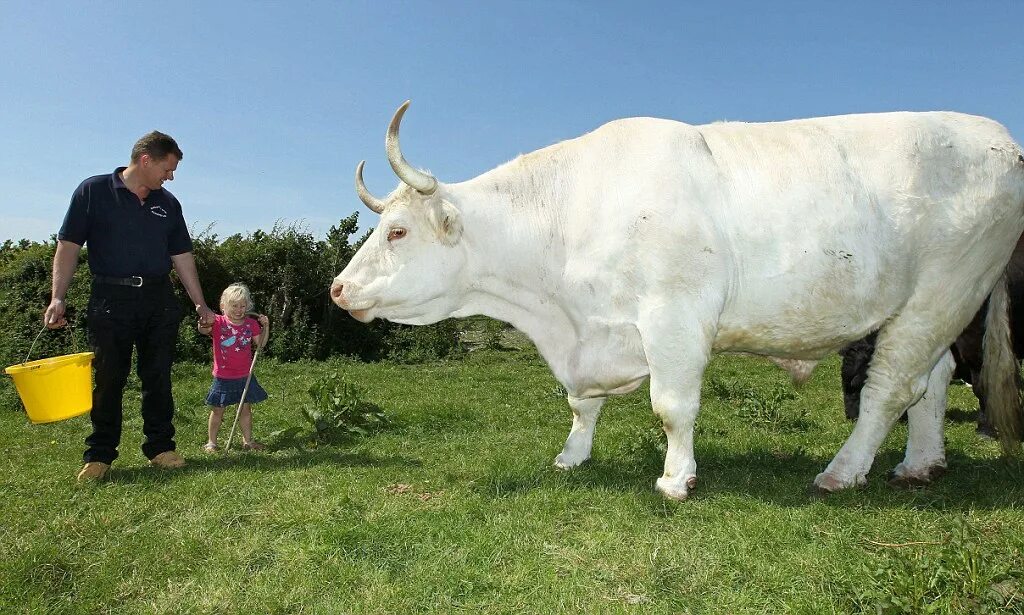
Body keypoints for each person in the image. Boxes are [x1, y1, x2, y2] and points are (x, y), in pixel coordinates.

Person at [44, 131, 216, 482]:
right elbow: (69, 246)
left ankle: (161, 448)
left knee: (157, 376)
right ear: (145, 160)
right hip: (110, 298)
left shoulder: (167, 204)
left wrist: (200, 304)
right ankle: (100, 455)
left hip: (158, 299)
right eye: (167, 169)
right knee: (109, 378)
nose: (170, 177)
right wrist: (58, 296)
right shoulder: (92, 191)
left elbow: (182, 256)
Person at [198, 283, 270, 452]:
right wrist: (203, 322)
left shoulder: (251, 324)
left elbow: (260, 345)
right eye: (234, 306)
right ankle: (212, 443)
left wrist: (265, 327)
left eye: (243, 306)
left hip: (244, 375)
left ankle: (248, 441)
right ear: (224, 306)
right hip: (223, 376)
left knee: (245, 409)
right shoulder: (218, 322)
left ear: (248, 306)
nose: (239, 310)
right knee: (218, 410)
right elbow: (203, 330)